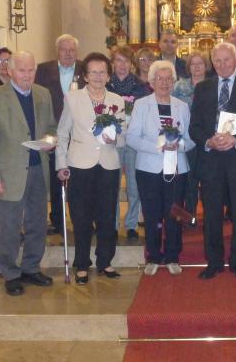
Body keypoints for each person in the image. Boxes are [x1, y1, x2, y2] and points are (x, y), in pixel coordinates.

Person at [0, 51, 57, 296]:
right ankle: (11, 273)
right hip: (7, 175)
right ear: (10, 71)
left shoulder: (43, 94)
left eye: (31, 69)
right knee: (9, 227)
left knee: (37, 224)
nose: (27, 75)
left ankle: (31, 267)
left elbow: (52, 128)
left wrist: (50, 141)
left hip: (37, 170)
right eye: (22, 70)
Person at [189, 42, 236, 280]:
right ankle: (214, 262)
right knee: (211, 216)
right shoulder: (202, 88)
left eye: (227, 60)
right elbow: (195, 127)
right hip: (211, 162)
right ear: (212, 62)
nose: (222, 65)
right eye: (217, 60)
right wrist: (209, 141)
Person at [57, 52, 126, 284]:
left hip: (108, 163)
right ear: (85, 76)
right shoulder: (73, 98)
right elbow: (62, 132)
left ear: (108, 75)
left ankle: (105, 261)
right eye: (93, 72)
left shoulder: (117, 100)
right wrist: (61, 163)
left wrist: (115, 138)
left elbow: (124, 135)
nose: (98, 76)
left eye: (102, 72)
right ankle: (82, 264)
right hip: (80, 164)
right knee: (81, 216)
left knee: (107, 216)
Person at [127, 60, 195, 276]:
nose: (164, 83)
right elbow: (132, 138)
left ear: (174, 82)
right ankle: (154, 256)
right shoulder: (141, 105)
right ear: (151, 81)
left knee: (175, 213)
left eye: (169, 79)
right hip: (149, 169)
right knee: (152, 213)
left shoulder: (181, 106)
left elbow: (191, 139)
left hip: (177, 169)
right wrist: (159, 147)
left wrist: (179, 145)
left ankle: (173, 256)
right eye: (160, 79)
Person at [34, 34, 86, 236]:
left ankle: (81, 219)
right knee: (57, 178)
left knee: (79, 180)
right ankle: (57, 220)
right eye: (64, 49)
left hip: (79, 132)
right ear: (57, 51)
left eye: (72, 50)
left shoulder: (85, 69)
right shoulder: (43, 70)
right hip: (53, 131)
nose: (68, 53)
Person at [108, 46, 152, 240]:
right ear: (113, 64)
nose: (122, 65)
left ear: (131, 64)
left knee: (134, 185)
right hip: (113, 141)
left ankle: (132, 223)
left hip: (134, 141)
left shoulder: (141, 87)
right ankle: (113, 224)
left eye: (126, 61)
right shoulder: (106, 86)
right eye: (118, 61)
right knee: (113, 185)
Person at [173, 51, 209, 216]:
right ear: (188, 67)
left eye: (200, 63)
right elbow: (171, 107)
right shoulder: (180, 86)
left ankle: (211, 212)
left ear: (205, 66)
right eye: (193, 64)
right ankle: (190, 211)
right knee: (190, 177)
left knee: (207, 176)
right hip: (186, 136)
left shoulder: (212, 84)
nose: (196, 67)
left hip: (207, 137)